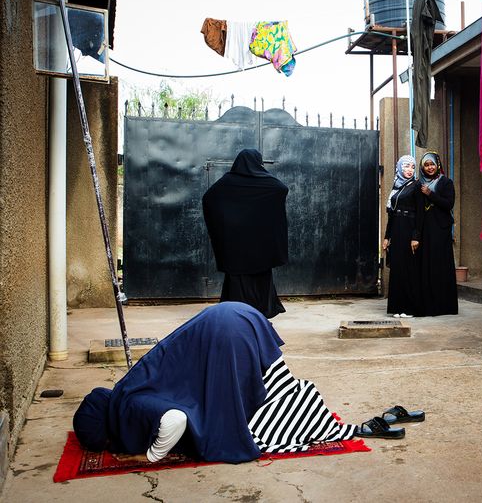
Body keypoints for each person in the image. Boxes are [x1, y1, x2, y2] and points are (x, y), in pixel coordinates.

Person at [72, 302, 401, 464]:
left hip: (226, 334)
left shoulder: (130, 406)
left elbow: (176, 418)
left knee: (249, 426)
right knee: (279, 389)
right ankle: (343, 424)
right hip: (241, 314)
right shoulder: (127, 387)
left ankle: (325, 424)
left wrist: (152, 455)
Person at [202, 148, 289, 319]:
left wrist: (228, 222)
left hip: (236, 247)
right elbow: (281, 188)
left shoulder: (227, 182)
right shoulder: (266, 183)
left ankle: (236, 315)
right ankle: (262, 313)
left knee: (237, 281)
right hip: (260, 247)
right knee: (260, 278)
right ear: (258, 163)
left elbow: (208, 198)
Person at [416, 152, 458, 316]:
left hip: (441, 230)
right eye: (426, 165)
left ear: (438, 165)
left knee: (441, 266)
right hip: (426, 230)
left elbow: (448, 204)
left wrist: (430, 194)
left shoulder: (446, 182)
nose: (430, 167)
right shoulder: (419, 184)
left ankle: (444, 306)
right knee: (426, 266)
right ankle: (428, 305)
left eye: (432, 164)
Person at [383, 155, 423, 318]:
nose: (409, 170)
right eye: (406, 166)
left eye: (412, 167)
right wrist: (387, 237)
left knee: (408, 269)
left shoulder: (416, 185)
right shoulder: (397, 186)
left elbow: (420, 214)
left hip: (409, 229)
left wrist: (416, 236)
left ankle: (409, 308)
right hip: (397, 230)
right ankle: (398, 307)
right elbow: (392, 215)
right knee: (398, 269)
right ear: (399, 168)